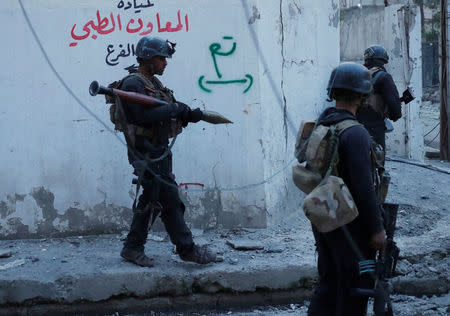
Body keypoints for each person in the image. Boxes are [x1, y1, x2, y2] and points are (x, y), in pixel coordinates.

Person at [118, 36, 220, 267]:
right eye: (161, 57)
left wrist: (187, 113)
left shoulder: (151, 82)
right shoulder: (133, 84)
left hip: (158, 150)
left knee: (156, 199)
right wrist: (173, 109)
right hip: (146, 152)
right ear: (147, 58)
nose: (165, 62)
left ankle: (133, 248)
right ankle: (186, 249)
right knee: (169, 199)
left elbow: (161, 107)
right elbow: (140, 116)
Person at [307, 62, 387, 316]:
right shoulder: (355, 133)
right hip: (354, 228)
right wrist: (377, 231)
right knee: (358, 285)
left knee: (330, 281)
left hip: (326, 220)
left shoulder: (323, 123)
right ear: (362, 96)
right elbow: (364, 189)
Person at [357, 45, 402, 150]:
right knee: (377, 159)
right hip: (374, 126)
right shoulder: (384, 77)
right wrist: (395, 115)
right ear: (383, 61)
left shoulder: (357, 73)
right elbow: (393, 102)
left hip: (353, 123)